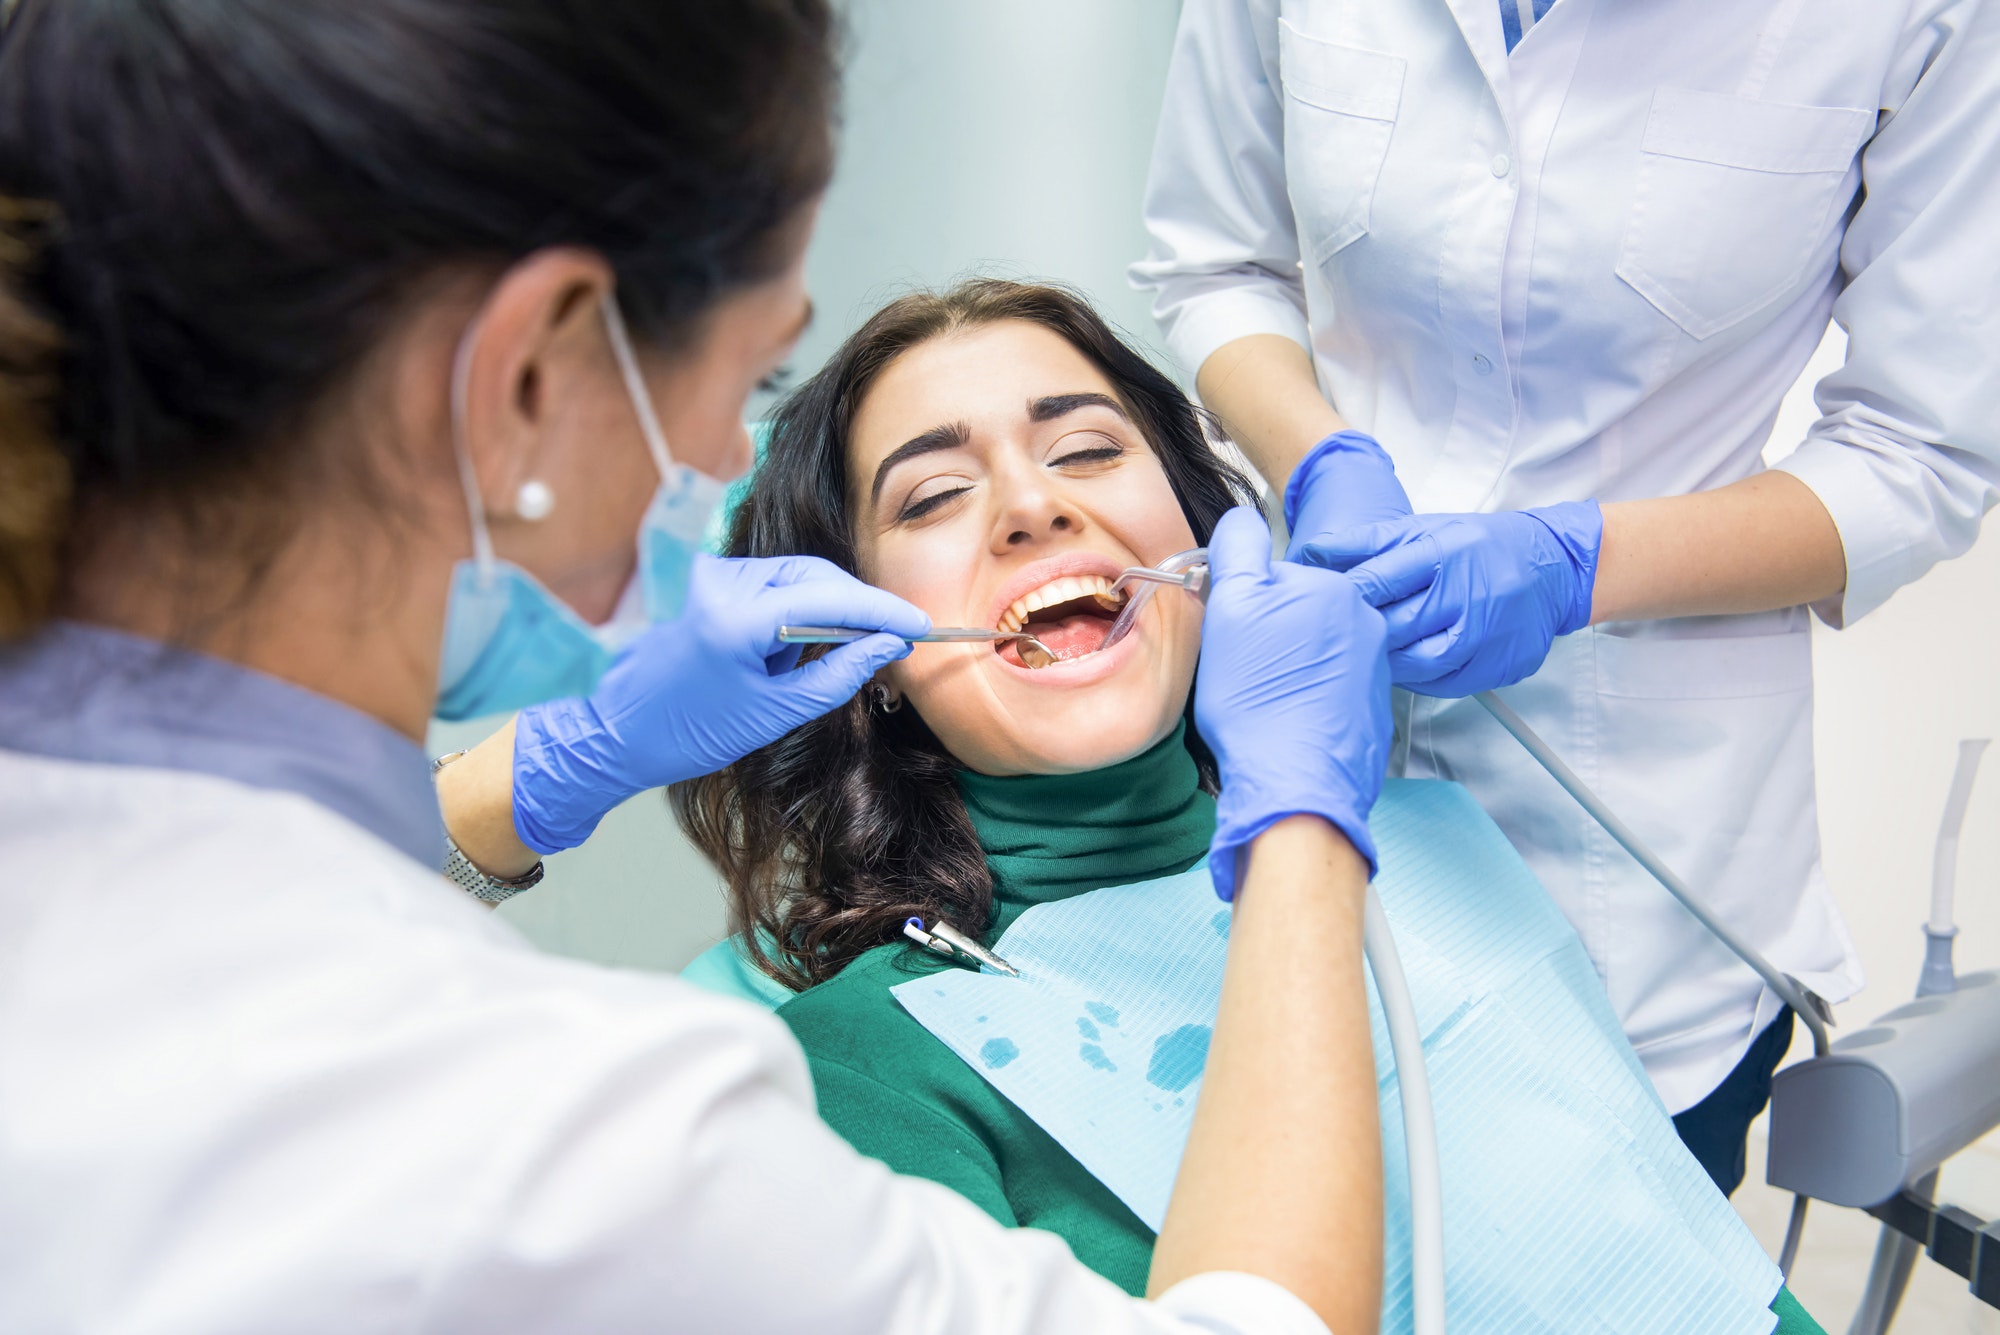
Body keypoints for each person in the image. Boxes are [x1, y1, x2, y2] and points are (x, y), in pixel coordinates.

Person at [0, 3, 1392, 1332]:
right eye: (751, 380)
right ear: (532, 380)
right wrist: (1310, 830)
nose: (729, 463)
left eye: (1086, 445)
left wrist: (539, 778)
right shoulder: (603, 1144)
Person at [670, 278, 1826, 1334]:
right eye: (931, 496)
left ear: (1202, 538)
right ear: (866, 653)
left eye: (1082, 448)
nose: (1030, 505)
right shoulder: (854, 1073)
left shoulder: (1439, 844)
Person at [1132, 0, 2000, 1196]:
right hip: (1305, 764)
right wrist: (1319, 454)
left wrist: (1573, 563)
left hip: (1645, 867)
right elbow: (1214, 260)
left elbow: (1919, 456)